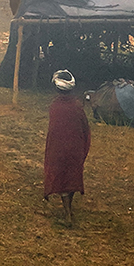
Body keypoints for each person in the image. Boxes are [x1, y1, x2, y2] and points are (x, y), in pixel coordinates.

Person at [44, 69, 90, 226]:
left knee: (62, 178)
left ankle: (67, 214)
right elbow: (85, 129)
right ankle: (68, 209)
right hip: (75, 149)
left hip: (58, 149)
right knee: (71, 177)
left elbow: (54, 131)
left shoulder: (54, 107)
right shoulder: (77, 106)